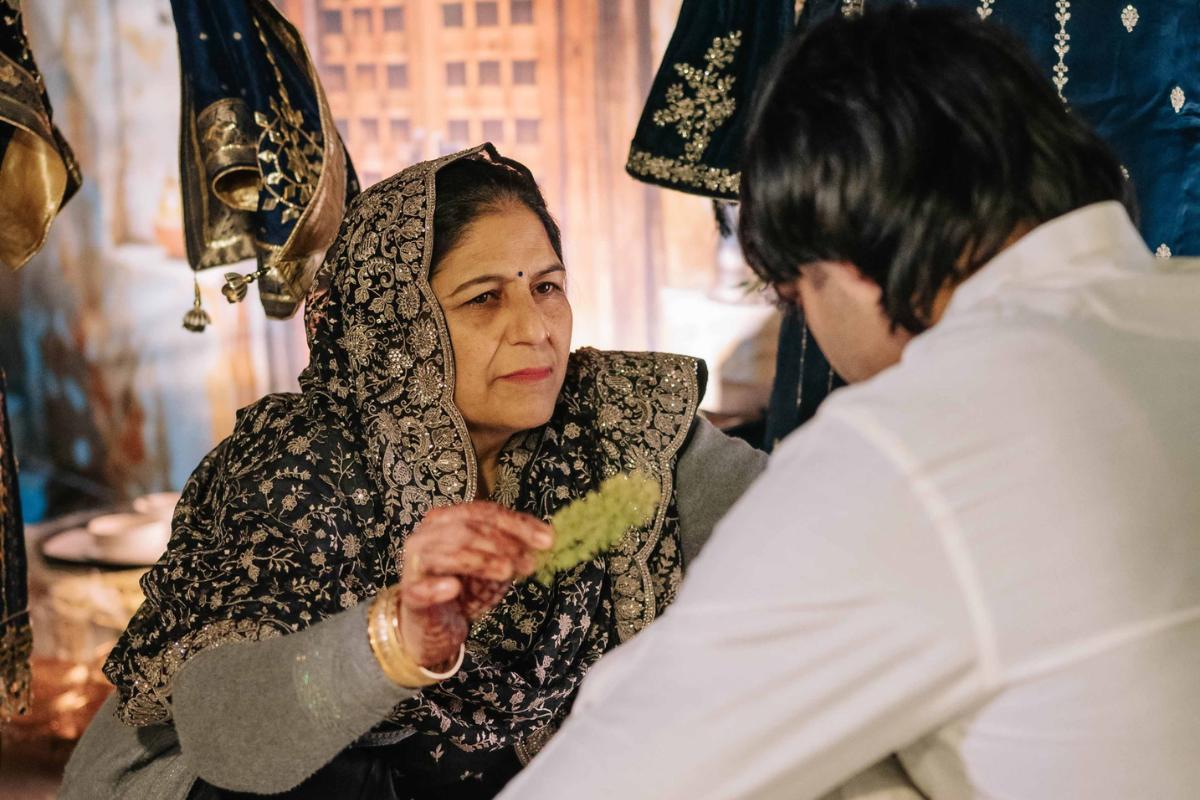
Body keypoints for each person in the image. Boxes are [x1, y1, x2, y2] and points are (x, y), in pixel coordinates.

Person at [497, 7, 1200, 799]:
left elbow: (608, 777)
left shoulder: (913, 445)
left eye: (799, 296)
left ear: (849, 259)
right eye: (482, 298)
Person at [60, 145, 766, 799]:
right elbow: (229, 741)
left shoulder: (618, 424)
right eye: (485, 297)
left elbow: (799, 520)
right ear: (396, 324)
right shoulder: (301, 467)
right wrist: (396, 635)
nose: (535, 328)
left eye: (547, 286)